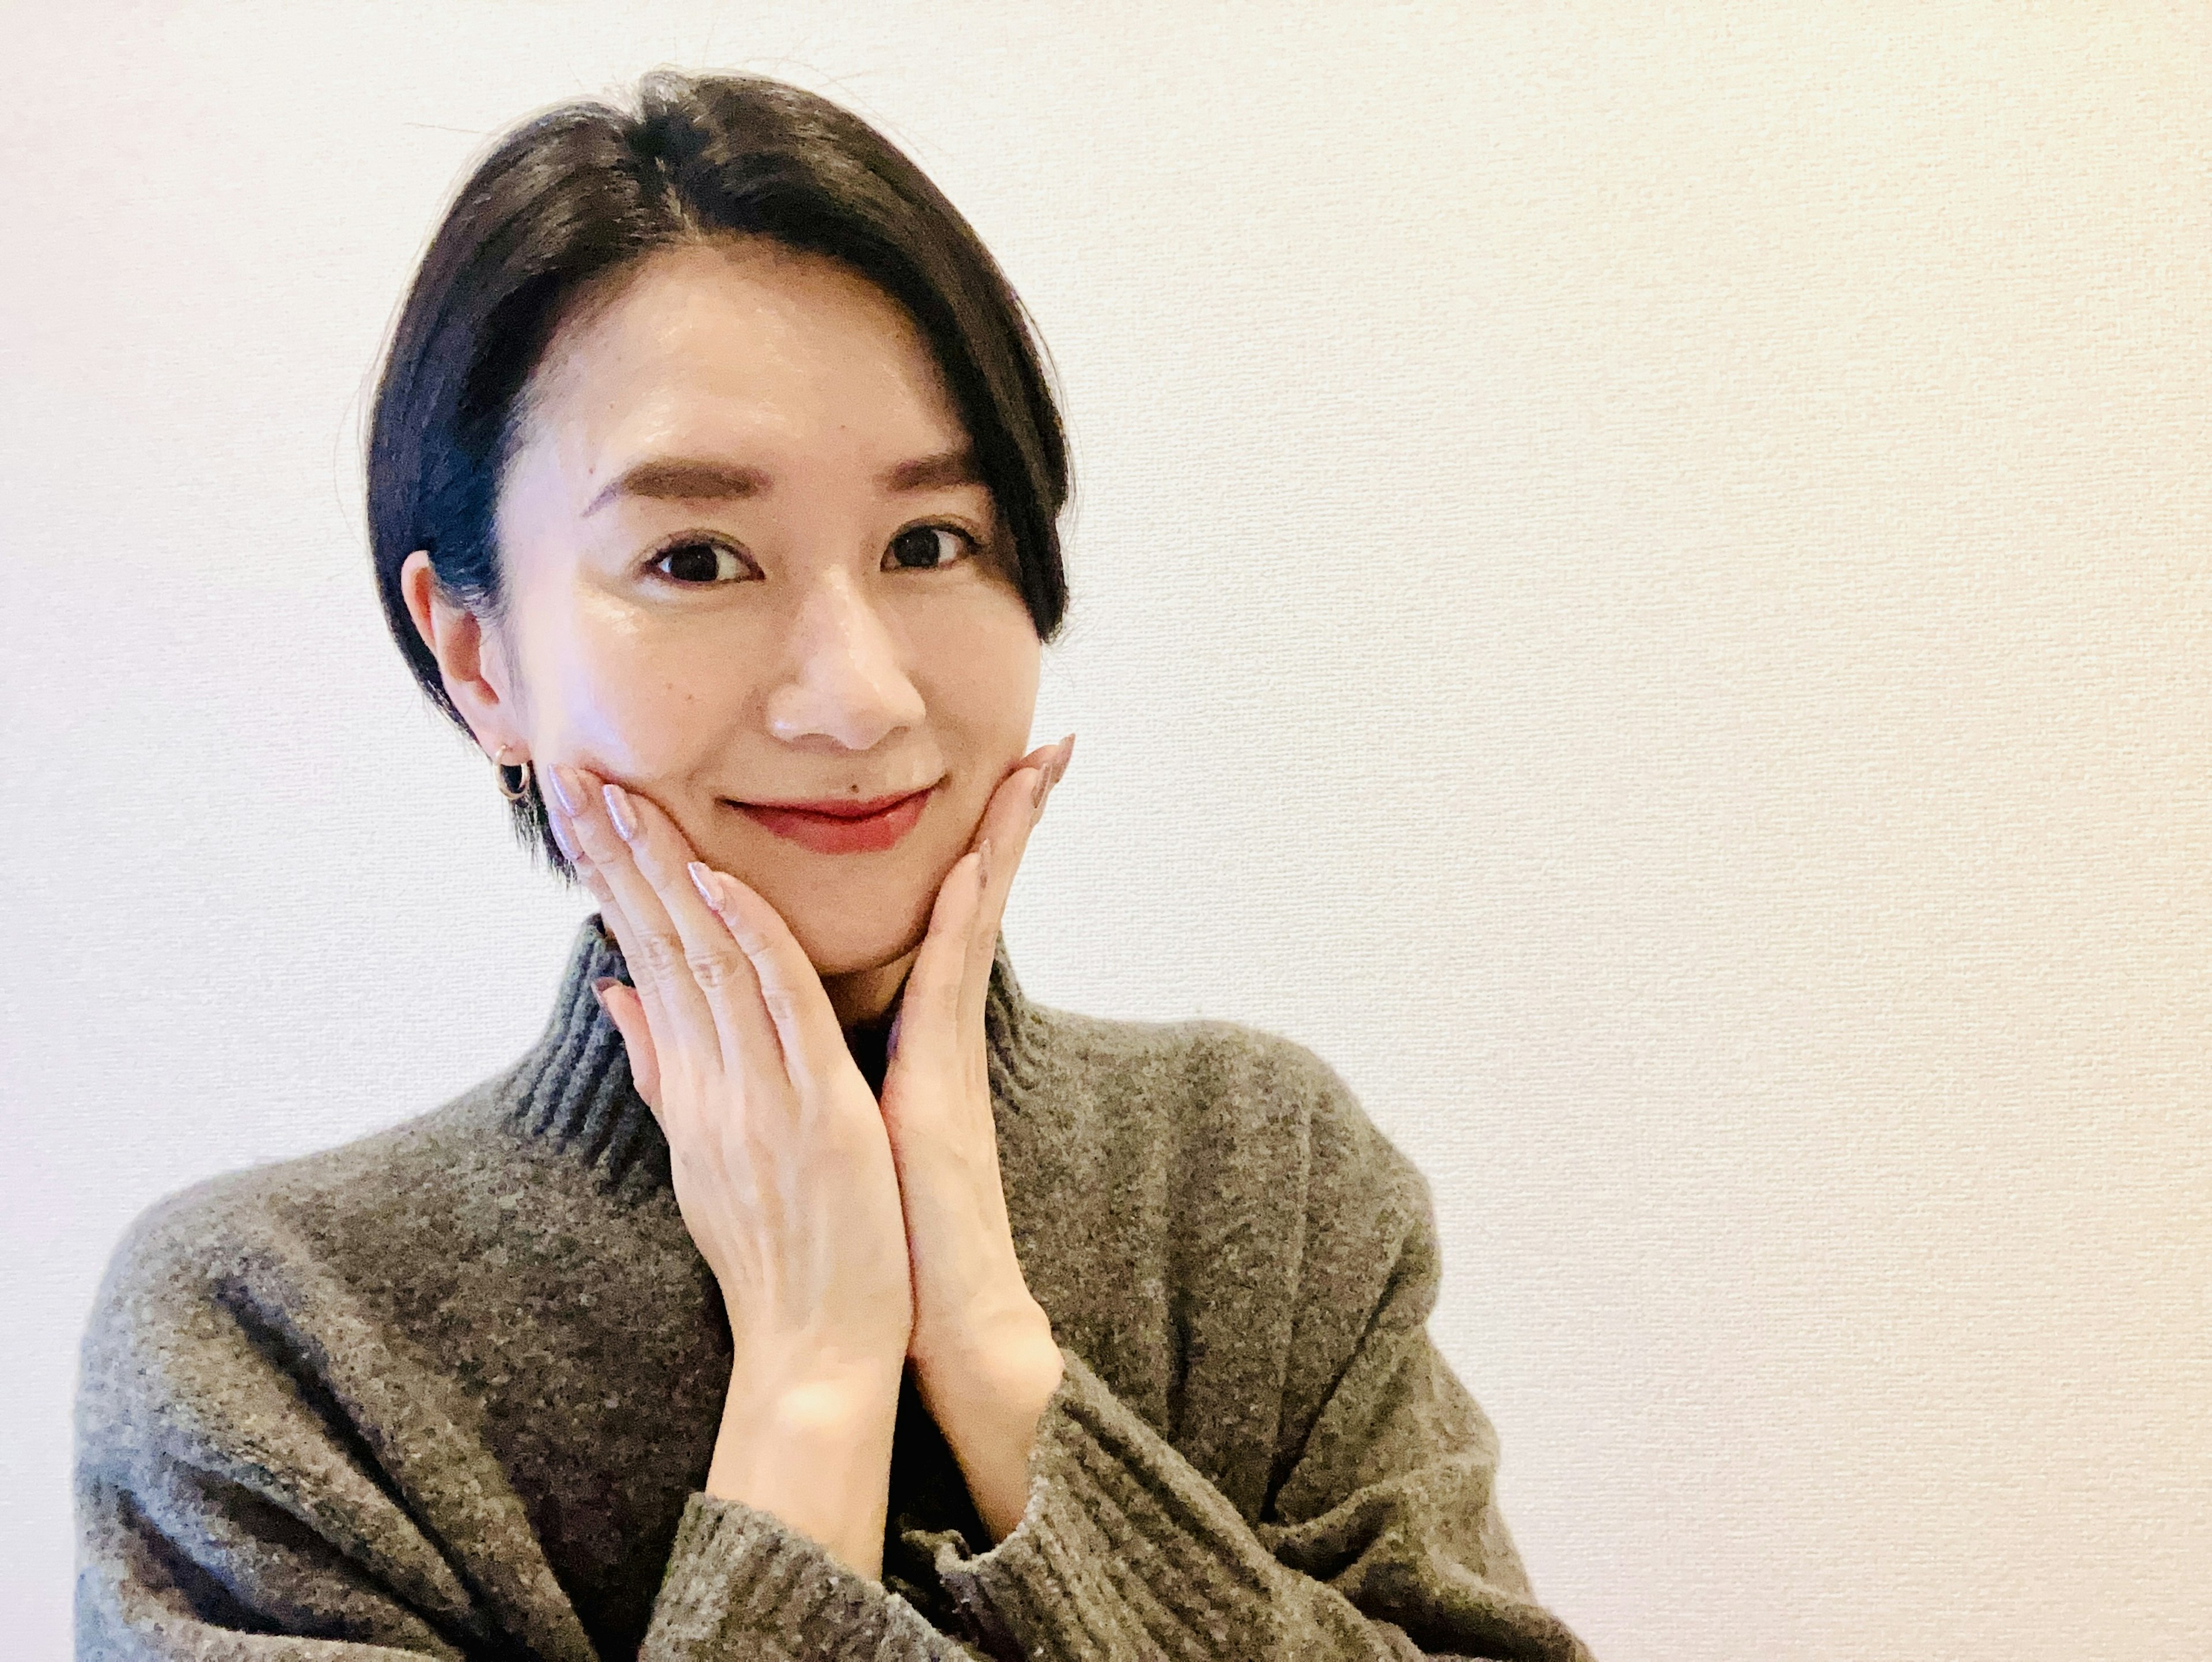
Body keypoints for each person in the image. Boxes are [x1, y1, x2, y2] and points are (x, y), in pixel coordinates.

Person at [72, 70, 1595, 1661]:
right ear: (479, 656)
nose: (860, 695)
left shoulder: (1259, 1182)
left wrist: (1007, 1373)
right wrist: (812, 1378)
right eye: (694, 559)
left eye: (932, 542)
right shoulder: (279, 1334)